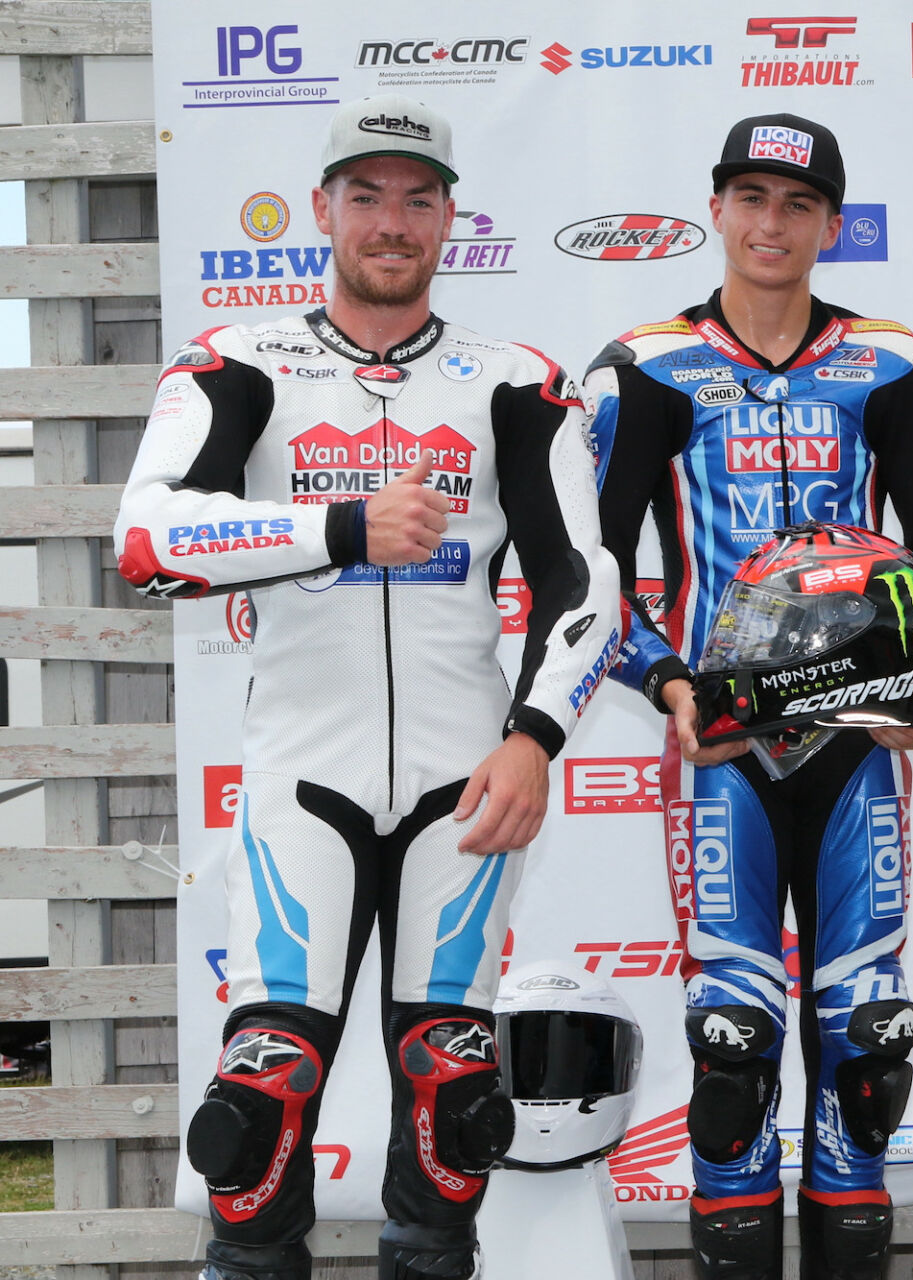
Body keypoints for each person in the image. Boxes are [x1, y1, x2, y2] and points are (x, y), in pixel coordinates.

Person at [114, 95, 622, 1280]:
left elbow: (586, 582)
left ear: (451, 218)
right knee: (257, 1115)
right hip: (306, 774)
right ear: (323, 209)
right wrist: (341, 524)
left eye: (417, 197)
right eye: (367, 194)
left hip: (469, 782)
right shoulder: (238, 362)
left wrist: (536, 737)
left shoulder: (518, 382)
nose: (391, 221)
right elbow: (146, 544)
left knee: (454, 1112)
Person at [586, 113, 913, 1280]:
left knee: (866, 1055)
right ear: (716, 206)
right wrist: (668, 683)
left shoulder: (889, 362)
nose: (773, 223)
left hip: (857, 741)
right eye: (752, 197)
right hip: (720, 750)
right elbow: (593, 576)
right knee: (731, 1051)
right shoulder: (645, 366)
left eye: (799, 203)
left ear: (830, 222)